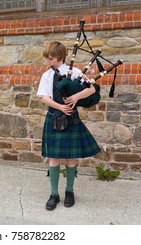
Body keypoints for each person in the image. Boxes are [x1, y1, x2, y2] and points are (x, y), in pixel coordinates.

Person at [36, 41, 100, 210]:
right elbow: (43, 97)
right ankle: (54, 194)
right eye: (47, 58)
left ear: (59, 57)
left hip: (70, 119)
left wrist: (76, 96)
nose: (48, 61)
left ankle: (69, 191)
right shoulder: (47, 75)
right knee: (54, 157)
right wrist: (60, 107)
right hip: (54, 116)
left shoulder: (75, 72)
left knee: (71, 157)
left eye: (50, 58)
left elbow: (92, 89)